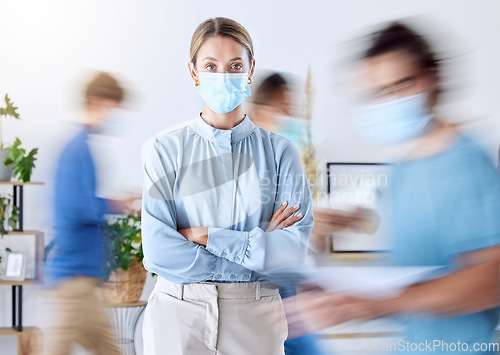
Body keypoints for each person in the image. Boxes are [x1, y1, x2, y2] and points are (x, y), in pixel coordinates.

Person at [284, 22, 500, 354]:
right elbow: (416, 276)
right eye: (378, 92)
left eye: (402, 85)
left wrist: (376, 304)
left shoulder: (465, 162)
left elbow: (492, 280)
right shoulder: (403, 169)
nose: (389, 102)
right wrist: (336, 292)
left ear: (432, 80)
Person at [141, 17, 314, 355]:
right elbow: (160, 251)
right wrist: (257, 248)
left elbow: (290, 255)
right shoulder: (164, 149)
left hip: (255, 318)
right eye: (210, 65)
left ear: (250, 70)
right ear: (193, 72)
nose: (224, 75)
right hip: (178, 313)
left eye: (235, 65)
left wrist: (205, 234)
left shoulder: (281, 154)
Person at [45, 72, 137, 355]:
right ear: (99, 102)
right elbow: (78, 207)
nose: (115, 116)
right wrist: (117, 204)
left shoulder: (81, 146)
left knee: (108, 349)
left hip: (81, 275)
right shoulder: (77, 149)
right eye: (114, 107)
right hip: (73, 278)